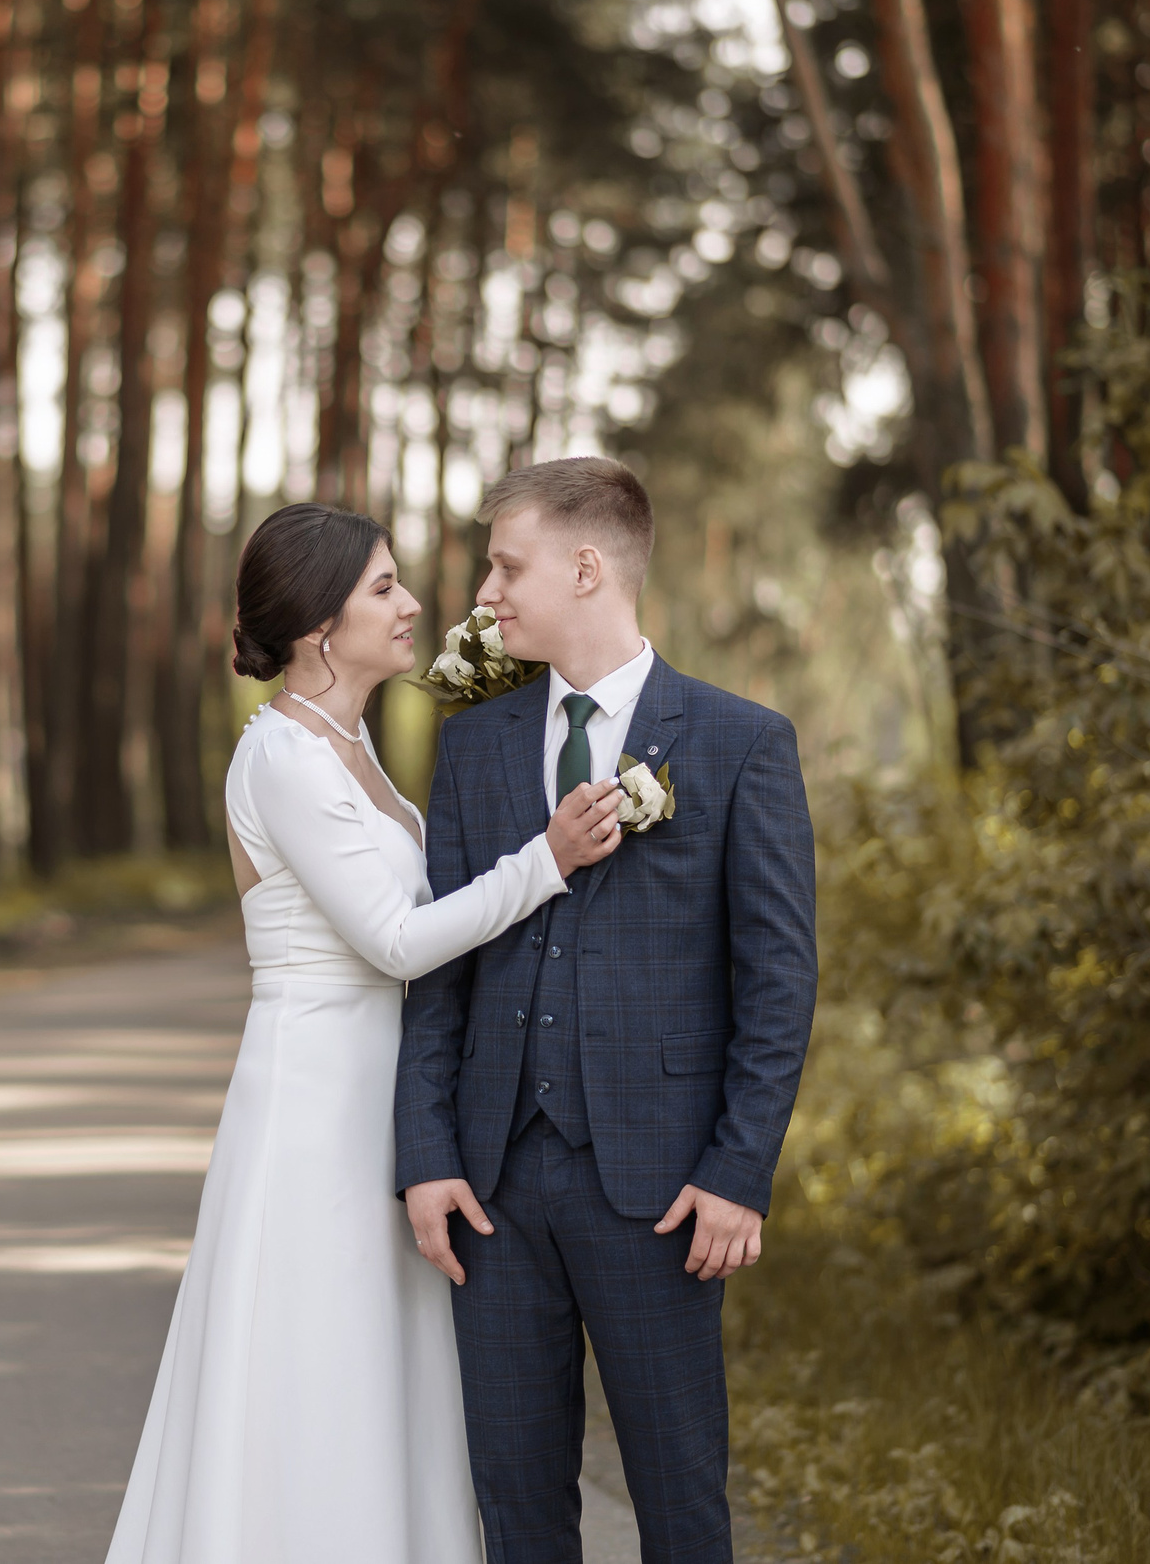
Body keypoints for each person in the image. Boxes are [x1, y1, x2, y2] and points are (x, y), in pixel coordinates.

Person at [105, 502, 627, 1564]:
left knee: (381, 1365)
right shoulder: (282, 761)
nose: (413, 605)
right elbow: (393, 939)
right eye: (382, 588)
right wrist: (547, 859)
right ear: (314, 627)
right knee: (316, 1362)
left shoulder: (348, 748)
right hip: (313, 1101)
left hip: (379, 1094)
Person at [398, 457, 817, 1563]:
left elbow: (778, 983)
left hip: (662, 1192)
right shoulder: (476, 743)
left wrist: (737, 1172)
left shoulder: (738, 744)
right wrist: (426, 1154)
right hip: (492, 1187)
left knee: (680, 1502)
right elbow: (439, 969)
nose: (485, 594)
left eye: (506, 565)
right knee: (519, 1508)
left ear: (586, 568)